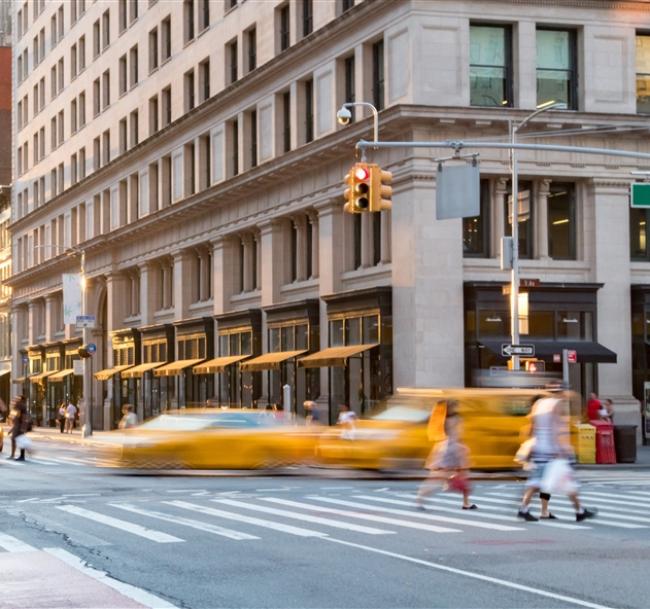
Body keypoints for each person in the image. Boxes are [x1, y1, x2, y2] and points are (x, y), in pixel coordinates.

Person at [517, 389, 597, 522]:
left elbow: (531, 428)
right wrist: (562, 449)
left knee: (537, 482)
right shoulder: (557, 404)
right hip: (552, 451)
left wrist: (533, 445)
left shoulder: (539, 404)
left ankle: (526, 509)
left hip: (540, 450)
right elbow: (557, 429)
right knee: (567, 482)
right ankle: (579, 511)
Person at [416, 403, 476, 510]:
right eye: (454, 406)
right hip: (453, 449)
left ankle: (421, 498)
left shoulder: (442, 420)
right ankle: (422, 497)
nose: (457, 407)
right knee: (453, 475)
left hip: (445, 447)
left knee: (440, 476)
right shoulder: (455, 419)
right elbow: (459, 434)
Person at [7, 395, 28, 461]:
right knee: (16, 440)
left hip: (20, 426)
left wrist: (23, 427)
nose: (15, 400)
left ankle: (21, 456)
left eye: (17, 399)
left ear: (21, 400)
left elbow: (22, 417)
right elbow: (14, 417)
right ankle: (14, 455)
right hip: (17, 426)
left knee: (19, 440)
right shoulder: (18, 406)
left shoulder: (21, 406)